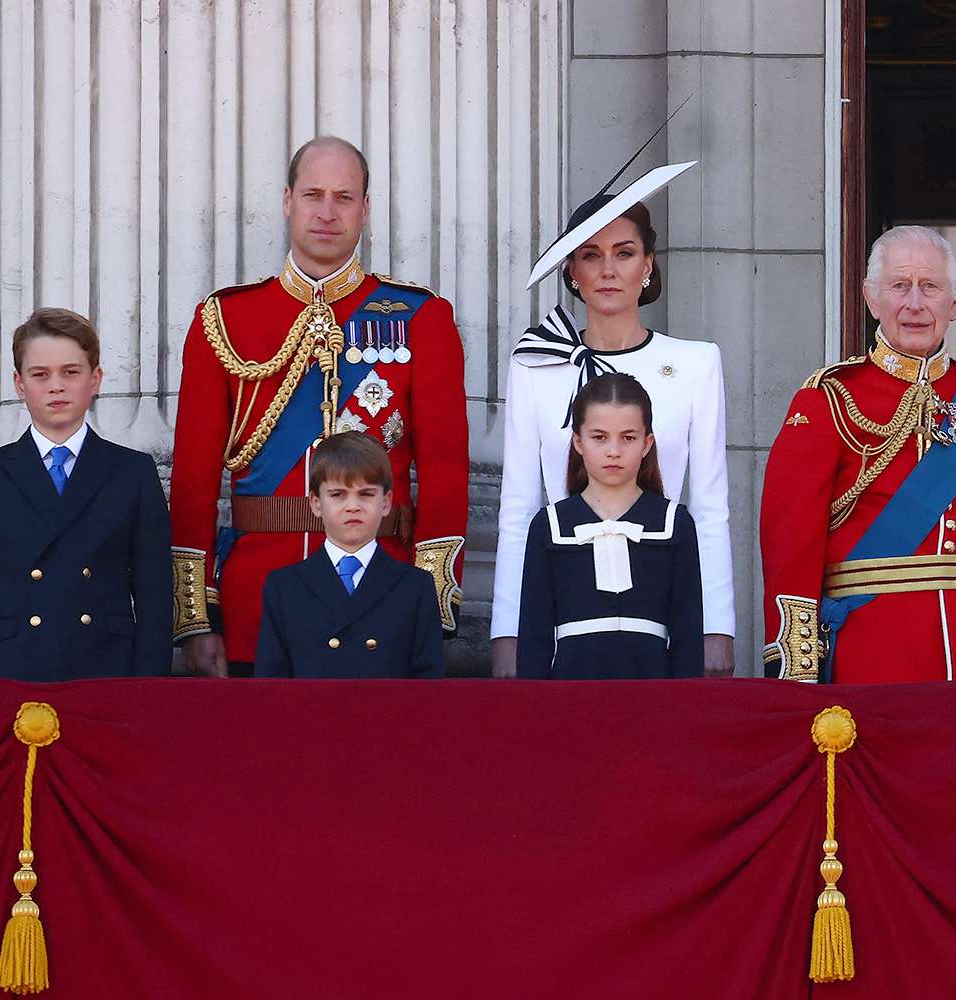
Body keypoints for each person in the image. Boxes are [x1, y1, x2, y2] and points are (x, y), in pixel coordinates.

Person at [169, 135, 469, 677]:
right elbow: (192, 480)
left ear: (366, 208)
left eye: (344, 197)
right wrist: (197, 617)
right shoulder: (225, 319)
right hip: (255, 601)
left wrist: (432, 602)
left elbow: (446, 473)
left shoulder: (421, 317)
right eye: (313, 195)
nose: (327, 212)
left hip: (384, 600)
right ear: (287, 201)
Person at [759, 226, 956, 683]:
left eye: (931, 287)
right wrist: (798, 671)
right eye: (900, 286)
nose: (915, 304)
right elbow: (790, 543)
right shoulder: (829, 399)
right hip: (866, 658)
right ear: (871, 298)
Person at [493, 159, 734, 678]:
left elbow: (711, 508)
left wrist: (717, 626)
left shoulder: (696, 363)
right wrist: (508, 633)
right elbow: (518, 507)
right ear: (572, 272)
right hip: (562, 609)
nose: (607, 270)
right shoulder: (536, 364)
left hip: (661, 602)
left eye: (624, 253)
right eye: (590, 255)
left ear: (648, 264)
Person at [0, 307, 171, 679]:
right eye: (40, 374)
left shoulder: (132, 473)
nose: (56, 386)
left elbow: (154, 597)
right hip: (12, 671)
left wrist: (149, 692)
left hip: (106, 670)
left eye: (71, 372)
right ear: (20, 384)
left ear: (95, 379)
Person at [517, 374, 703, 679]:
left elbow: (688, 637)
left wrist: (683, 712)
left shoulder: (674, 523)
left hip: (653, 694)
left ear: (647, 443)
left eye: (628, 437)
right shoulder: (549, 525)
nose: (613, 451)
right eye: (599, 437)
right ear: (578, 441)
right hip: (572, 693)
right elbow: (533, 639)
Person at [255, 433, 444, 679]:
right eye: (338, 495)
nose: (353, 506)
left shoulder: (415, 587)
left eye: (366, 494)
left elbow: (428, 689)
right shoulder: (284, 587)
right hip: (308, 716)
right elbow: (271, 689)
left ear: (386, 502)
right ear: (316, 503)